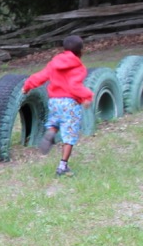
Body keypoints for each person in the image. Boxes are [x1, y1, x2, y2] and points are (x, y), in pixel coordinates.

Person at [22, 34, 93, 177]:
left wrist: (27, 86)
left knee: (55, 121)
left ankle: (52, 131)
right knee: (69, 134)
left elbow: (41, 76)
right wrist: (87, 96)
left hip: (54, 101)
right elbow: (74, 86)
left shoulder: (54, 63)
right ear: (81, 51)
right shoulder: (79, 67)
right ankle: (62, 166)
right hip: (70, 103)